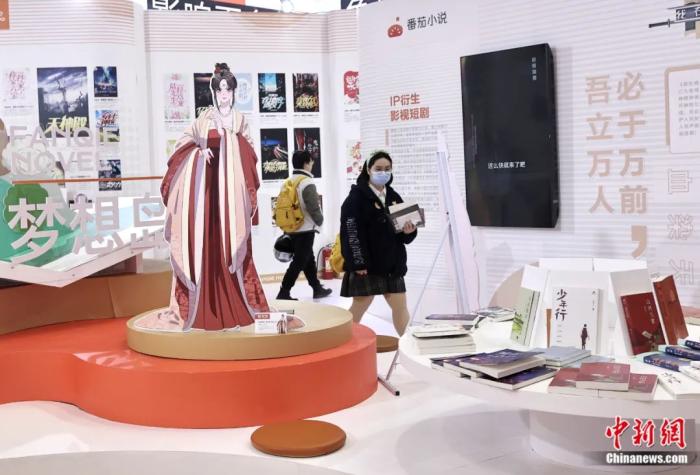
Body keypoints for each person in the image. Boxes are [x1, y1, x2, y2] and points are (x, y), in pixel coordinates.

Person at [159, 62, 269, 331]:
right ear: (213, 93)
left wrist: (229, 140)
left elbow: (250, 156)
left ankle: (236, 304)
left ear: (234, 92)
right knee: (205, 245)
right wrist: (199, 153)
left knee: (231, 244)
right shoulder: (203, 120)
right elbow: (181, 149)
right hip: (206, 195)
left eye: (227, 90)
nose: (223, 95)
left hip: (231, 199)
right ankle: (202, 308)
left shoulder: (240, 121)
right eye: (219, 90)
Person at [339, 151, 417, 335]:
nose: (383, 172)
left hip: (392, 264)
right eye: (379, 168)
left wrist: (409, 231)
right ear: (368, 169)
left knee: (400, 307)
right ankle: (341, 339)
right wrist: (358, 263)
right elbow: (351, 233)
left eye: (387, 169)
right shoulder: (355, 198)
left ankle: (409, 345)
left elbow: (403, 234)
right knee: (360, 305)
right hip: (368, 266)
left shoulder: (393, 196)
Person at [277, 150, 332, 300]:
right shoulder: (307, 182)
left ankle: (316, 288)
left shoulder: (288, 182)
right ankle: (284, 292)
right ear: (306, 163)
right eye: (311, 161)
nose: (312, 163)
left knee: (308, 259)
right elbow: (313, 207)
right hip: (305, 229)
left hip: (291, 227)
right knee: (300, 261)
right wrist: (320, 221)